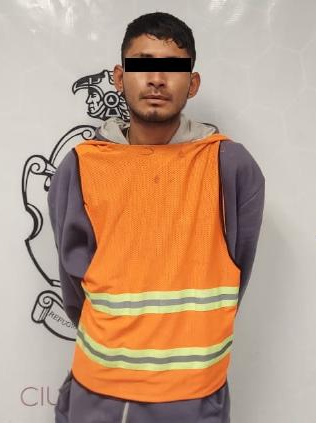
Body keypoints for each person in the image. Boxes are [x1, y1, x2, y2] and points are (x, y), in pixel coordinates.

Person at [48, 12, 265, 423]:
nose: (157, 79)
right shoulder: (81, 166)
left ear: (193, 83)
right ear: (119, 77)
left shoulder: (229, 165)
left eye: (173, 68)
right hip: (99, 392)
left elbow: (239, 269)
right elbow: (74, 283)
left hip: (194, 396)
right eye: (142, 64)